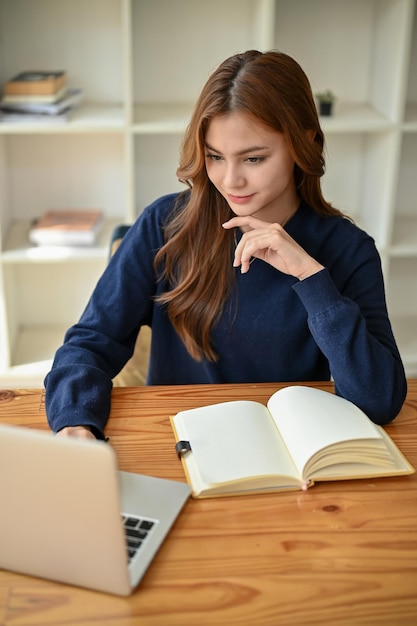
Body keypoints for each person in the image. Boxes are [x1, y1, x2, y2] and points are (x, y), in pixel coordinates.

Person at [45, 50, 407, 440]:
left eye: (253, 158)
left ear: (305, 144)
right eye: (215, 156)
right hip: (176, 442)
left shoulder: (348, 250)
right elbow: (90, 342)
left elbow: (380, 400)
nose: (230, 180)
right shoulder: (166, 225)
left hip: (286, 458)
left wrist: (311, 278)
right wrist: (75, 420)